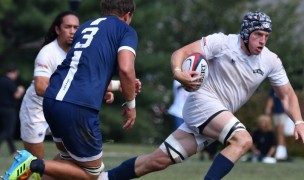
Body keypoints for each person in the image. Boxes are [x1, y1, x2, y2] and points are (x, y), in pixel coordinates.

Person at [102, 11, 304, 180]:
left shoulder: (270, 60)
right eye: (258, 34)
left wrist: (298, 121)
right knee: (243, 140)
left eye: (266, 36)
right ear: (246, 32)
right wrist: (178, 73)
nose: (262, 41)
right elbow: (179, 54)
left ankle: (104, 178)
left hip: (217, 115)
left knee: (157, 161)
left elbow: (286, 95)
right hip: (202, 102)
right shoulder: (222, 43)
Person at [2, 0, 138, 179]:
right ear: (128, 15)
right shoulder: (125, 29)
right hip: (76, 106)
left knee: (68, 160)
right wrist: (131, 105)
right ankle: (31, 164)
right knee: (92, 173)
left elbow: (83, 72)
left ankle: (33, 170)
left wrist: (110, 87)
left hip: (52, 101)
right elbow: (126, 69)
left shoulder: (86, 27)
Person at [19, 10, 80, 159]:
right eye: (68, 27)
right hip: (35, 111)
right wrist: (72, 96)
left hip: (59, 110)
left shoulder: (78, 53)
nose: (72, 31)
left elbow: (83, 81)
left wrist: (111, 88)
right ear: (58, 29)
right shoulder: (47, 53)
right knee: (34, 165)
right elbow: (40, 88)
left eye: (76, 27)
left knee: (75, 157)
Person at [0, 64, 25, 155]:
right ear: (13, 72)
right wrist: (21, 90)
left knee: (7, 130)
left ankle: (13, 151)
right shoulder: (9, 82)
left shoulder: (1, 80)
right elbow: (16, 95)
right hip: (9, 110)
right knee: (8, 131)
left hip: (1, 108)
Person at [265, 88, 289, 160]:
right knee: (279, 134)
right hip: (276, 113)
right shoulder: (274, 89)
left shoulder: (284, 88)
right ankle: (283, 153)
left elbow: (271, 100)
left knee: (280, 133)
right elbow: (271, 99)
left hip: (282, 113)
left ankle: (280, 153)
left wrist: (268, 108)